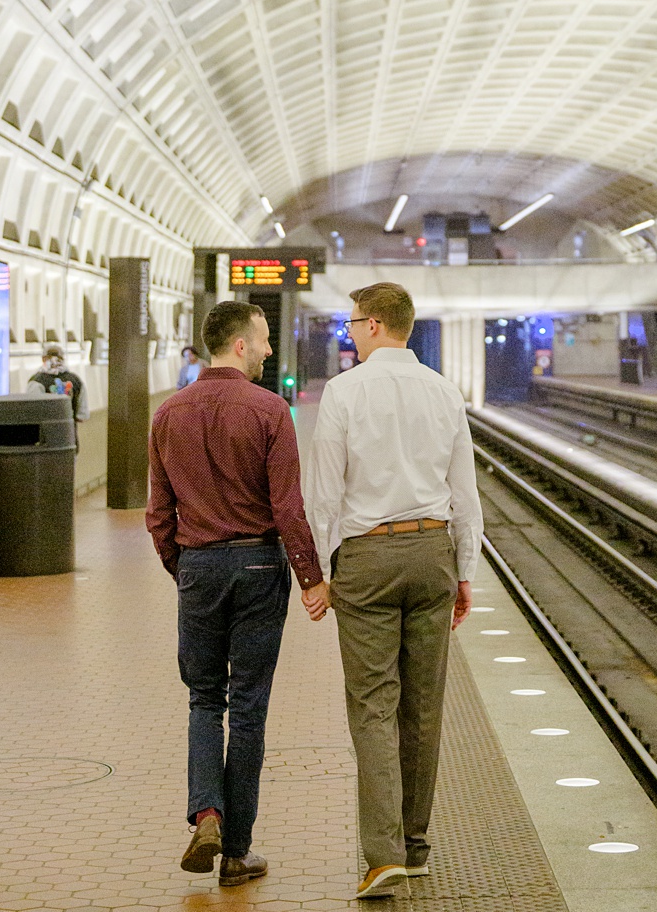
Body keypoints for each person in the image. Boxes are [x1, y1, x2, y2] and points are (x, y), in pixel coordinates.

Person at [301, 282, 482, 900]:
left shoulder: (345, 393)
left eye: (353, 322)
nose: (349, 331)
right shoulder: (444, 391)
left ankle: (383, 857)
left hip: (369, 558)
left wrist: (320, 571)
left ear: (375, 324)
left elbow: (326, 489)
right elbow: (466, 493)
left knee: (375, 706)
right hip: (433, 550)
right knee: (424, 705)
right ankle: (416, 845)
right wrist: (464, 572)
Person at [145, 299, 325, 885]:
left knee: (204, 700)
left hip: (198, 566)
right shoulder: (271, 412)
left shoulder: (169, 414)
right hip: (256, 567)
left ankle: (207, 813)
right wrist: (311, 579)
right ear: (241, 345)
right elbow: (287, 508)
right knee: (247, 707)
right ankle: (237, 851)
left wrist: (187, 569)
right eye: (266, 340)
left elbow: (158, 515)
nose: (271, 351)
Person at [28, 346, 86, 421]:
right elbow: (83, 415)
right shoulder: (76, 380)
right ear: (63, 359)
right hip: (69, 430)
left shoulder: (36, 381)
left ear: (43, 359)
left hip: (45, 430)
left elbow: (32, 413)